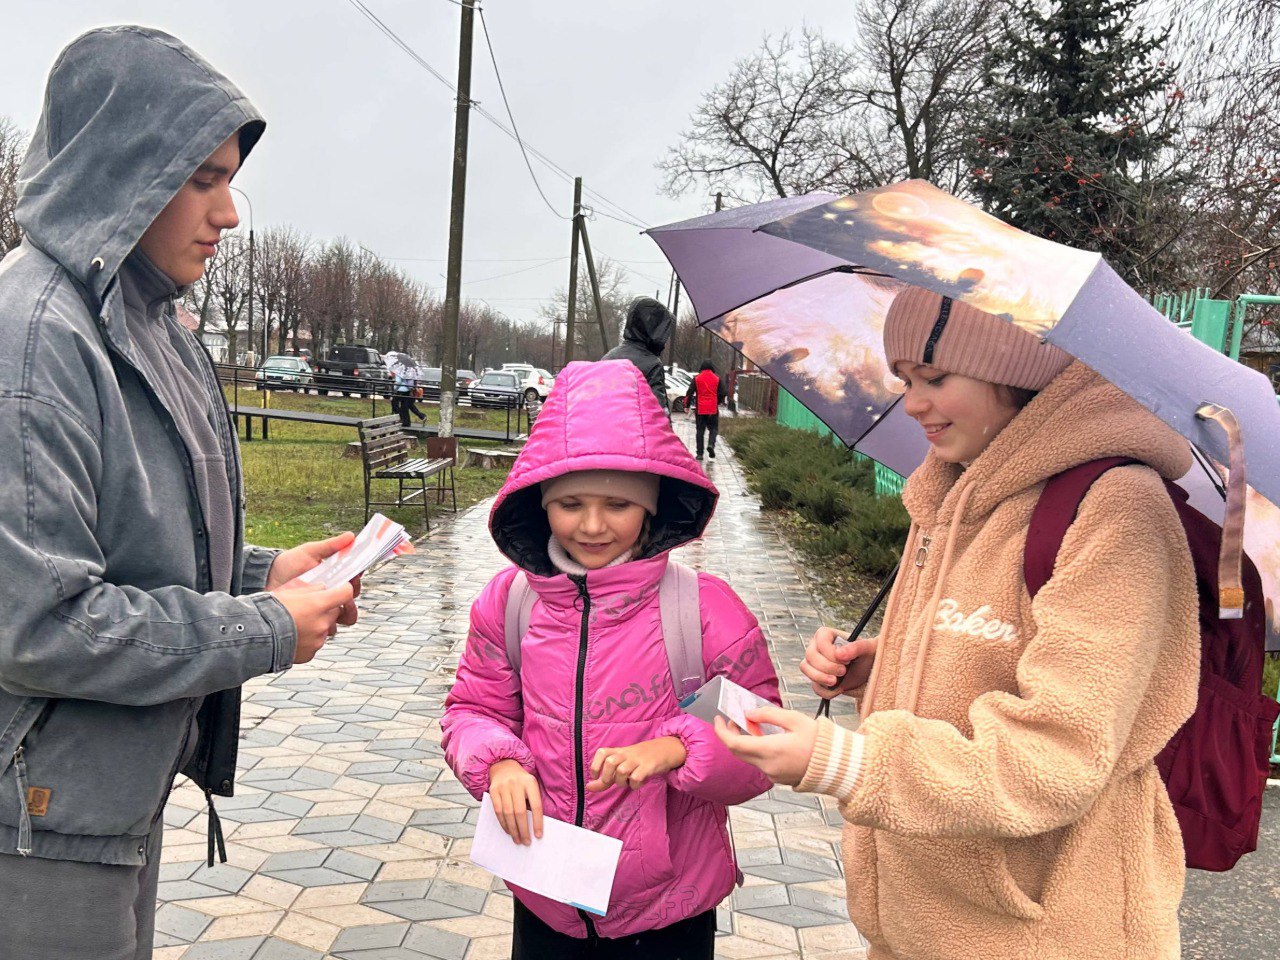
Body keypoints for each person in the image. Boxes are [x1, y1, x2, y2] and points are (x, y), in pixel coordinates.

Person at [0, 27, 359, 958]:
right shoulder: (35, 340)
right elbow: (39, 622)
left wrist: (260, 571)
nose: (231, 211)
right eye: (202, 177)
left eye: (229, 177)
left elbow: (126, 539)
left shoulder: (144, 315)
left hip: (109, 787)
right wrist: (267, 626)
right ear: (119, 171)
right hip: (37, 814)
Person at [715, 288, 1200, 960]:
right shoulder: (952, 493)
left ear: (1016, 373)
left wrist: (847, 761)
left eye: (937, 378)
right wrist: (881, 667)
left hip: (1045, 933)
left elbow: (1058, 753)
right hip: (924, 925)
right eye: (907, 380)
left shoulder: (1116, 510)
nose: (914, 403)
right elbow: (996, 646)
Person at [442, 359, 780, 959]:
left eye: (618, 506)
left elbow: (763, 734)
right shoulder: (511, 602)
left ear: (650, 506)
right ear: (539, 503)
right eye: (570, 503)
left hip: (668, 911)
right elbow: (472, 709)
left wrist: (675, 748)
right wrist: (499, 765)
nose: (592, 526)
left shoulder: (700, 612)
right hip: (546, 896)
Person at [601, 297, 676, 416]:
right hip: (635, 431)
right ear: (655, 331)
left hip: (606, 429)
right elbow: (658, 416)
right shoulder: (652, 364)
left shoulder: (608, 357)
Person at [685, 359, 728, 459]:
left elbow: (689, 392)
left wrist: (686, 406)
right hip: (712, 409)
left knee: (700, 430)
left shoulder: (697, 378)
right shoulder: (717, 379)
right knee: (713, 428)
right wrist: (718, 401)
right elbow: (724, 392)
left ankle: (700, 454)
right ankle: (711, 445)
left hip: (700, 409)